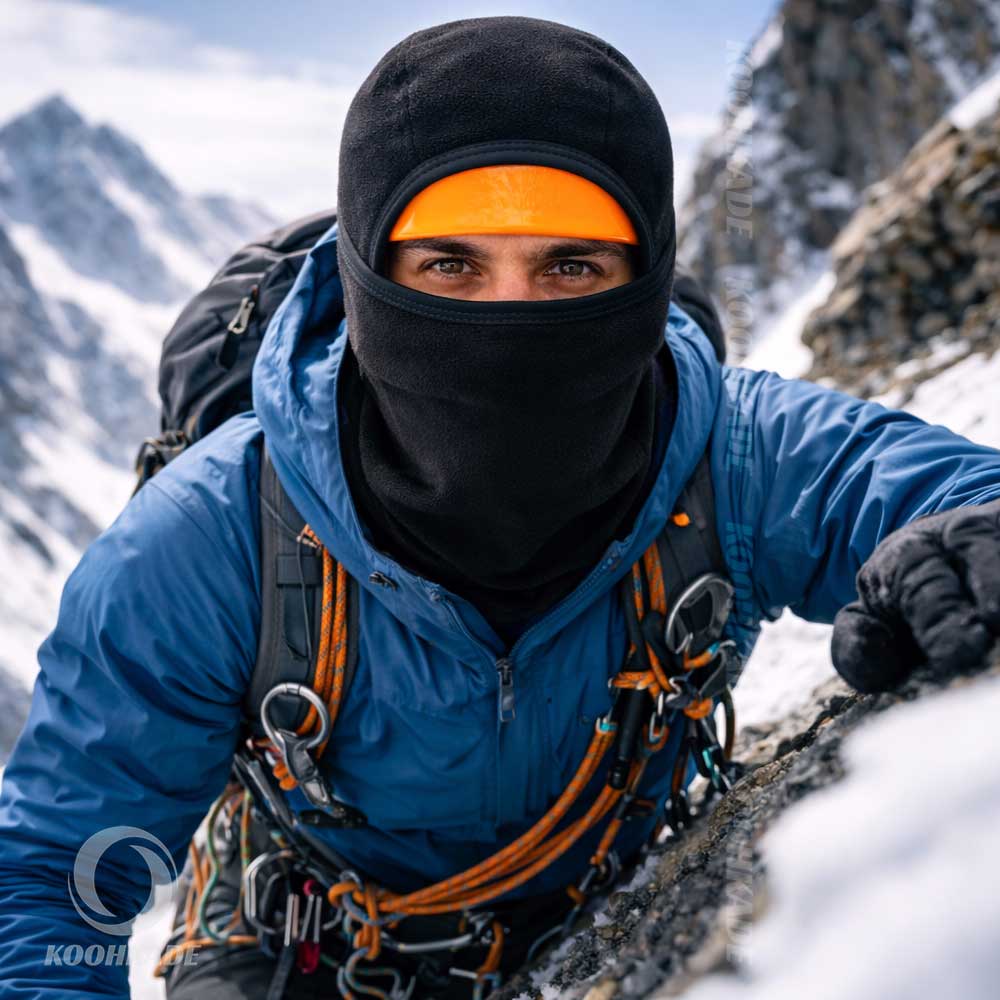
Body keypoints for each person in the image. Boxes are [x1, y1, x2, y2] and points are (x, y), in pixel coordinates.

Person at [1, 15, 999, 1000]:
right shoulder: (213, 534)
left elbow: (949, 497)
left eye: (572, 267)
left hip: (599, 906)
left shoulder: (728, 454)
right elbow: (51, 876)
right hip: (287, 945)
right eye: (449, 266)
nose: (511, 319)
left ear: (645, 280)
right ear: (365, 284)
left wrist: (964, 545)